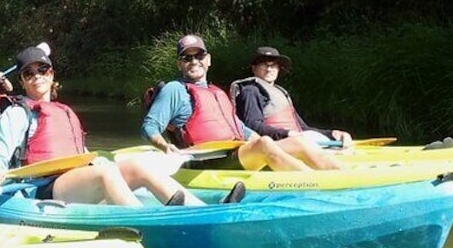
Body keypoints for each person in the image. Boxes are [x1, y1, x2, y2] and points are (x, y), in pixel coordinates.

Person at [0, 45, 245, 205]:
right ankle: (146, 224)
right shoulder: (17, 114)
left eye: (42, 70)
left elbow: (79, 154)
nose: (36, 76)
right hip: (42, 188)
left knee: (137, 166)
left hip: (75, 179)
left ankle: (200, 209)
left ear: (51, 74)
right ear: (22, 81)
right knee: (105, 174)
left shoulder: (62, 111)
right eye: (29, 73)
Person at [141, 35, 344, 171]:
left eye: (199, 56)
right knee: (264, 143)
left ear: (208, 59)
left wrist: (275, 145)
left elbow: (241, 129)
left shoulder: (216, 91)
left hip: (236, 152)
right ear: (179, 64)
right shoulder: (173, 90)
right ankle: (315, 182)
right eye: (187, 58)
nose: (194, 62)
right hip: (209, 162)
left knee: (298, 141)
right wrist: (164, 147)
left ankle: (340, 174)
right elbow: (149, 127)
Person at [231, 46, 353, 148]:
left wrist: (331, 134)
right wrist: (288, 134)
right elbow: (253, 126)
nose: (269, 69)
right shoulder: (250, 91)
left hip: (296, 140)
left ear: (279, 69)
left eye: (273, 66)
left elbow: (303, 128)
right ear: (254, 68)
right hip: (277, 145)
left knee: (337, 140)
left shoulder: (280, 91)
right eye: (264, 65)